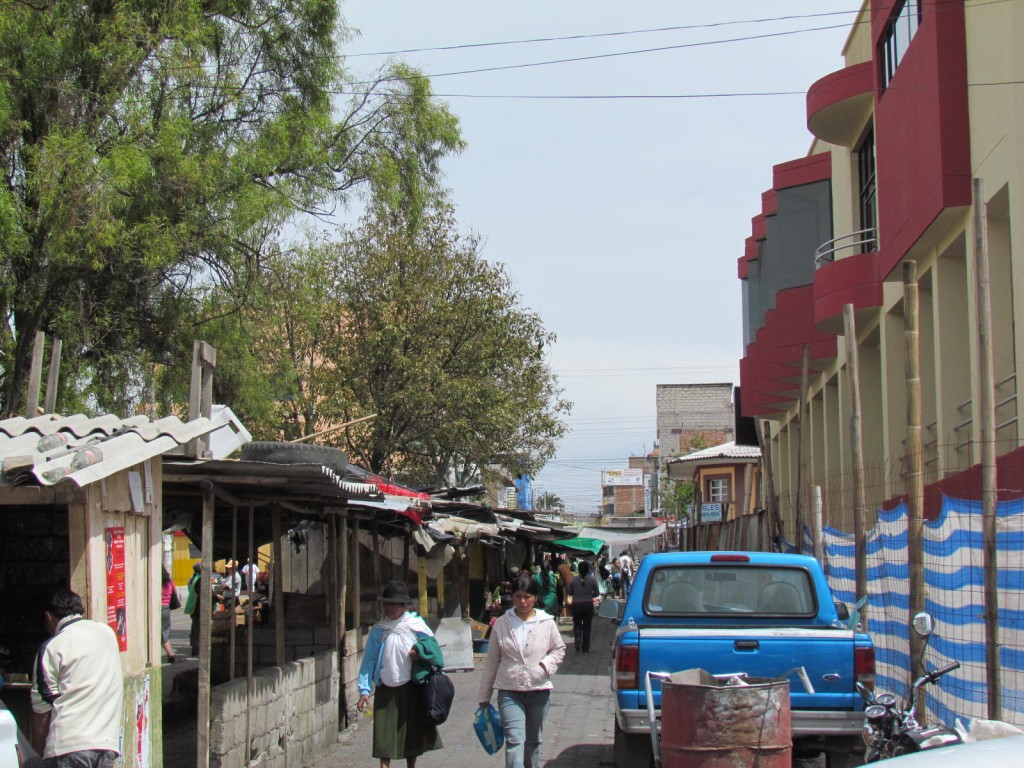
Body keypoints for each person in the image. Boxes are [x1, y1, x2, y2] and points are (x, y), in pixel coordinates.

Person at [478, 573, 565, 768]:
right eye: (518, 597)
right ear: (512, 597)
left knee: (533, 741)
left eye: (527, 596)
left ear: (535, 597)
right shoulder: (502, 624)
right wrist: (484, 696)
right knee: (515, 740)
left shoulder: (547, 622)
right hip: (509, 692)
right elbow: (492, 661)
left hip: (539, 691)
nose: (523, 601)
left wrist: (545, 667)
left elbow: (559, 649)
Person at [30, 588, 123, 768]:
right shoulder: (107, 633)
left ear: (48, 617)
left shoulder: (52, 647)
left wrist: (38, 756)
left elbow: (41, 709)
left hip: (68, 747)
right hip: (106, 745)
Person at [357, 581, 442, 768]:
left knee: (411, 734)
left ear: (404, 606)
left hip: (411, 687)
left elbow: (435, 651)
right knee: (383, 736)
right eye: (386, 604)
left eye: (394, 604)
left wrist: (419, 651)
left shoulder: (416, 626)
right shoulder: (379, 630)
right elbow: (369, 661)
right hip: (385, 688)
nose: (389, 608)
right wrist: (364, 690)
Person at [568, 561, 599, 652]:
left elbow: (570, 592)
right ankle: (585, 646)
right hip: (588, 605)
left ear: (579, 570)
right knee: (587, 627)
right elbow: (597, 593)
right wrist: (589, 595)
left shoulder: (573, 580)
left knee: (577, 624)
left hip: (576, 605)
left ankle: (577, 637)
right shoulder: (592, 580)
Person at [184, 562, 202, 657]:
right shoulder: (199, 579)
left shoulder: (193, 578)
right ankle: (196, 652)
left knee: (195, 630)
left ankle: (195, 649)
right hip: (196, 608)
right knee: (198, 632)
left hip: (193, 608)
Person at [160, 567, 176, 663]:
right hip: (166, 608)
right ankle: (170, 653)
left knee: (158, 632)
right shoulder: (169, 582)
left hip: (158, 607)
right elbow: (174, 592)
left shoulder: (158, 582)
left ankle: (170, 653)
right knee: (165, 631)